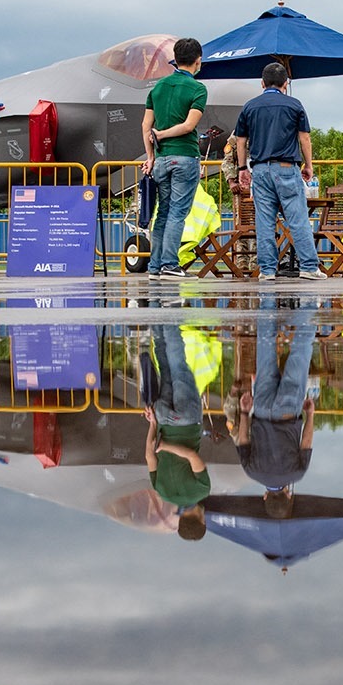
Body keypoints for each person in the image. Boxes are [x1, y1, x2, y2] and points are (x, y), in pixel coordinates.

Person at [233, 62, 327, 282]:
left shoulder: (250, 106)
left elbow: (240, 140)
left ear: (262, 83)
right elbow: (304, 138)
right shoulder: (294, 105)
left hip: (259, 169)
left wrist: (241, 168)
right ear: (286, 83)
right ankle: (309, 267)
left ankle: (267, 270)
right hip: (286, 167)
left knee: (264, 221)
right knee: (298, 219)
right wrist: (309, 165)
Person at [235, 299, 318, 519]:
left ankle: (310, 303)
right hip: (260, 410)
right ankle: (267, 301)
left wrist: (310, 416)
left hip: (288, 412)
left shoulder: (297, 474)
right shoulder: (251, 472)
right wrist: (244, 412)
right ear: (265, 497)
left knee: (300, 351)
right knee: (265, 350)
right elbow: (243, 440)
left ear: (288, 496)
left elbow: (306, 443)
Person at [142, 37, 209, 277]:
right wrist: (162, 134)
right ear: (198, 61)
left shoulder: (157, 87)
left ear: (176, 60)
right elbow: (189, 126)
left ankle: (154, 265)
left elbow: (145, 125)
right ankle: (170, 263)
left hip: (161, 159)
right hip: (185, 157)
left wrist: (150, 156)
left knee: (163, 212)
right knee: (178, 213)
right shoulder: (198, 89)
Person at [142, 326, 211, 540]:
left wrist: (166, 446)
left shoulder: (202, 490)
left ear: (201, 519)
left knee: (179, 366)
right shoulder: (162, 492)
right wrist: (153, 424)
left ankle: (169, 316)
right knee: (165, 369)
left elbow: (192, 456)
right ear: (181, 519)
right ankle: (156, 312)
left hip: (188, 421)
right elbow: (149, 455)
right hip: (163, 419)